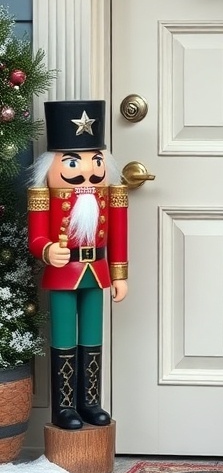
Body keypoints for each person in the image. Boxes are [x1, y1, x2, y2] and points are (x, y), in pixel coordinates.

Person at [27, 100, 128, 430]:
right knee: (64, 338)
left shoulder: (109, 196)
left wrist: (119, 274)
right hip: (62, 274)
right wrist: (46, 251)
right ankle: (65, 407)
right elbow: (37, 238)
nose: (87, 170)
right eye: (73, 162)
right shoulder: (45, 196)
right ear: (52, 166)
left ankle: (90, 402)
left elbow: (119, 237)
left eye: (95, 160)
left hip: (96, 272)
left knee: (92, 337)